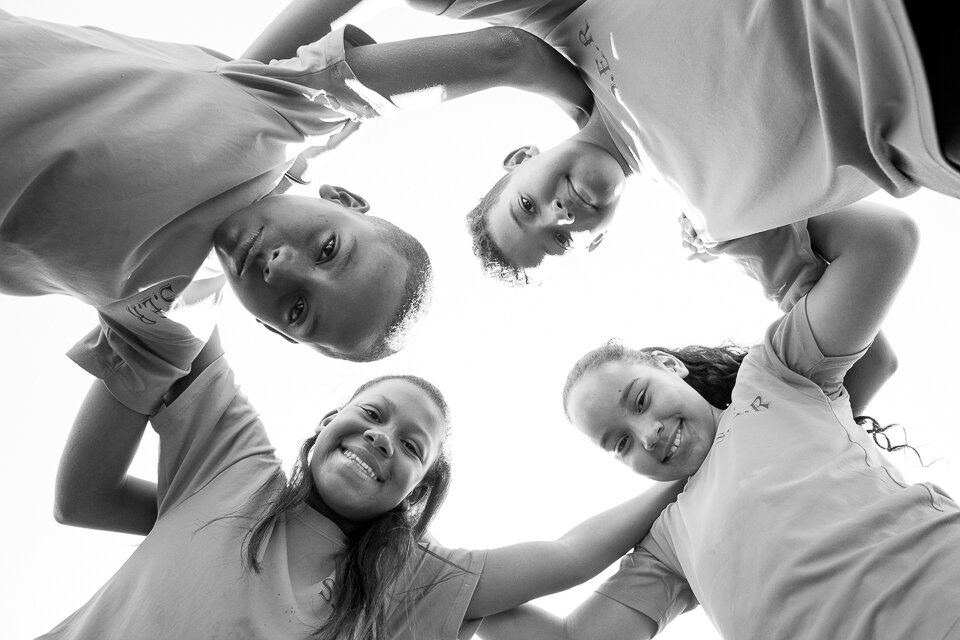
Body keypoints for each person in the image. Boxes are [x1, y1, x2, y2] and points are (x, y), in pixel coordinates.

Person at [0, 7, 591, 415]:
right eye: (329, 249)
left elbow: (79, 500)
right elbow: (506, 52)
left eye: (299, 309)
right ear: (342, 199)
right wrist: (599, 134)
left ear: (267, 326)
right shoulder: (282, 114)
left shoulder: (172, 317)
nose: (283, 269)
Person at [475, 202, 960, 639]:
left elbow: (885, 241)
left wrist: (747, 230)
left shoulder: (775, 376)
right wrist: (437, 585)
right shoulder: (669, 541)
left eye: (641, 399)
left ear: (669, 365)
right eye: (619, 444)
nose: (648, 435)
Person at [45, 329, 682, 640]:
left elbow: (570, 556)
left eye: (411, 446)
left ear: (415, 491)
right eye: (372, 416)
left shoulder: (406, 579)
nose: (381, 439)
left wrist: (680, 481)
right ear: (328, 423)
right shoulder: (233, 465)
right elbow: (181, 311)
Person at [404, 1, 959, 287]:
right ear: (596, 241)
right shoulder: (726, 229)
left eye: (525, 206)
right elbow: (839, 315)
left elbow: (486, 38)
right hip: (938, 128)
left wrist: (322, 92)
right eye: (560, 241)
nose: (557, 214)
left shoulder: (565, 24)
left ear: (522, 159)